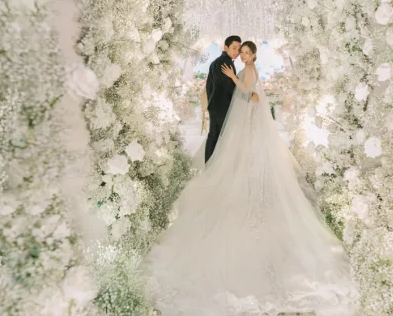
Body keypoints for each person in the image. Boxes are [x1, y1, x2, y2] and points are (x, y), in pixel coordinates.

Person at [144, 41, 359, 316]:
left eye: (246, 53)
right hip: (246, 124)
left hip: (249, 125)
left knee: (244, 164)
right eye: (241, 52)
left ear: (253, 55)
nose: (243, 56)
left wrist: (235, 78)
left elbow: (249, 95)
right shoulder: (243, 68)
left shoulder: (248, 71)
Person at [204, 35, 259, 163]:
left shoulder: (220, 61)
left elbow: (210, 86)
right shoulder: (225, 63)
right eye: (235, 48)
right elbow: (229, 87)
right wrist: (249, 95)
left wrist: (211, 101)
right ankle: (214, 166)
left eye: (239, 50)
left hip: (217, 105)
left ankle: (214, 165)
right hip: (222, 106)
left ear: (252, 54)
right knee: (219, 137)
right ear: (225, 47)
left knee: (217, 136)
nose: (237, 53)